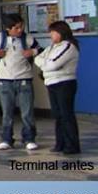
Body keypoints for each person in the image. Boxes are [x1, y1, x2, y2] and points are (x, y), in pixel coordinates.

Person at [0, 14, 42, 151]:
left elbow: (40, 50)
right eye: (17, 27)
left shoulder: (28, 38)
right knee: (7, 112)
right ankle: (6, 139)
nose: (20, 30)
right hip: (5, 79)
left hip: (24, 78)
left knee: (27, 111)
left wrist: (32, 51)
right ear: (8, 28)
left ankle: (29, 138)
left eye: (21, 27)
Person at [35, 21, 81, 156]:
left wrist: (45, 64)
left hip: (64, 83)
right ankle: (60, 143)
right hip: (51, 83)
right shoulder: (51, 47)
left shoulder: (69, 46)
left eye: (53, 32)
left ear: (61, 32)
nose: (51, 35)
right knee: (57, 115)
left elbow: (53, 65)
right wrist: (45, 64)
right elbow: (38, 58)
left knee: (66, 114)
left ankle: (71, 145)